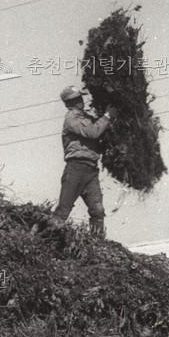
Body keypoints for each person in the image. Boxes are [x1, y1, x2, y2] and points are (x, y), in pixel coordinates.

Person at [52, 86, 116, 238]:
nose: (80, 101)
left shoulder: (86, 117)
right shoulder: (72, 118)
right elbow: (93, 132)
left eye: (79, 98)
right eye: (75, 99)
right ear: (69, 103)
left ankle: (98, 245)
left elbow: (98, 135)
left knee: (98, 211)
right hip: (76, 169)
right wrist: (107, 116)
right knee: (63, 210)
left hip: (91, 170)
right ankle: (45, 242)